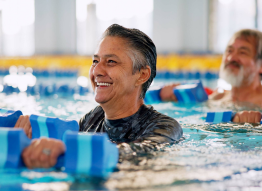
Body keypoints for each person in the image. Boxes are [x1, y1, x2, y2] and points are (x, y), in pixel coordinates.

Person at [15, 24, 183, 169]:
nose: (96, 71)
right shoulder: (92, 120)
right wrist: (34, 136)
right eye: (95, 61)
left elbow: (140, 154)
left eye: (111, 62)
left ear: (142, 74)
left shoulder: (165, 127)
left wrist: (68, 148)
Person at [159, 29, 262, 124]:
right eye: (229, 51)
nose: (231, 58)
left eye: (242, 52)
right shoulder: (216, 98)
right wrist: (174, 98)